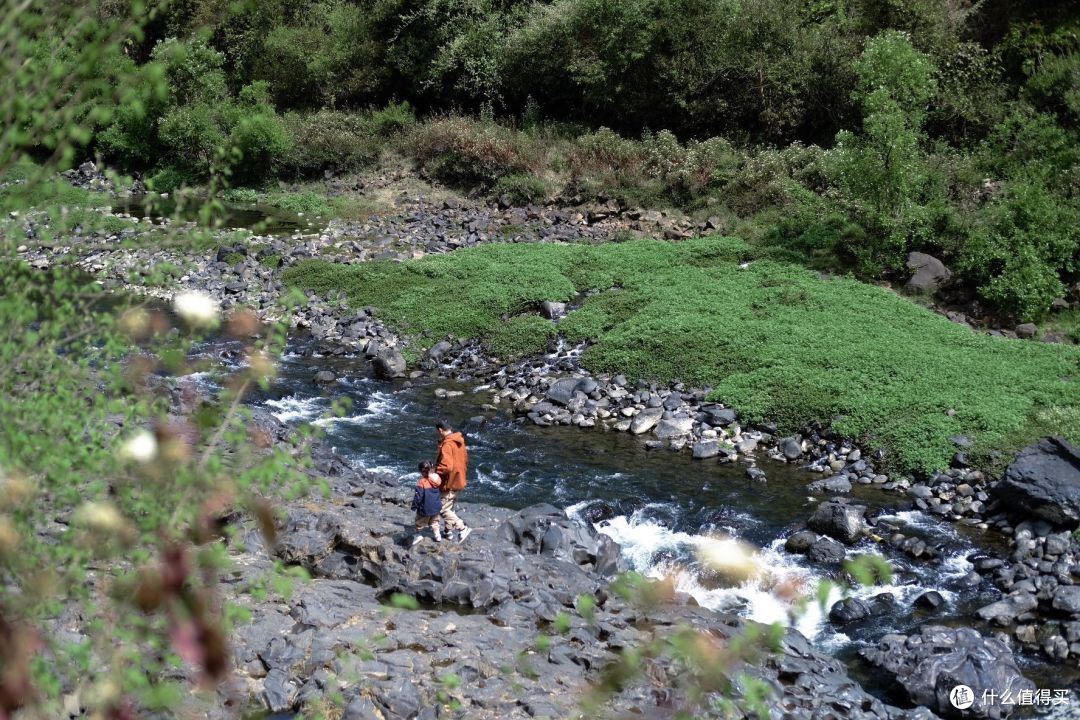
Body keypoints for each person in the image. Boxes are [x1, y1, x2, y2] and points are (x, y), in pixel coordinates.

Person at [435, 421, 472, 542]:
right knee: (450, 507)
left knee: (442, 509)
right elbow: (466, 460)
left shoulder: (447, 444)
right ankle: (448, 532)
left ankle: (462, 528)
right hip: (459, 480)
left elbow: (446, 466)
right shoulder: (459, 441)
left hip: (449, 483)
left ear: (440, 430)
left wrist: (434, 472)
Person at [411, 460, 443, 545]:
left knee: (419, 522)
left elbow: (418, 496)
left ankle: (418, 535)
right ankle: (437, 535)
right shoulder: (437, 479)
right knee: (435, 521)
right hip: (437, 506)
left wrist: (414, 506)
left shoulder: (421, 482)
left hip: (425, 508)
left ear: (422, 472)